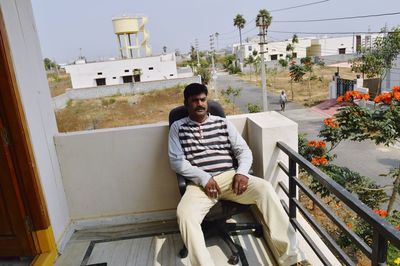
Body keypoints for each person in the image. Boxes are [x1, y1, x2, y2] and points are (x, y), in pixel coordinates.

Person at [168, 83, 306, 266]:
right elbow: (176, 161)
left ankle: (291, 258)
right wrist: (204, 178)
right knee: (185, 214)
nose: (200, 104)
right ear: (186, 104)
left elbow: (244, 151)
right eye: (194, 101)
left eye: (203, 100)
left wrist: (241, 173)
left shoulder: (222, 123)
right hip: (200, 185)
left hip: (230, 177)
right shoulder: (178, 127)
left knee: (265, 189)